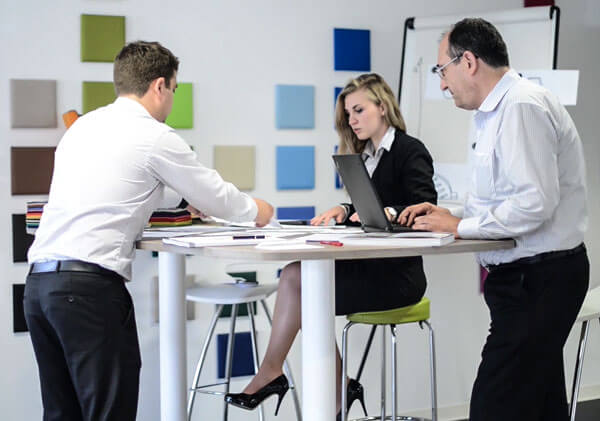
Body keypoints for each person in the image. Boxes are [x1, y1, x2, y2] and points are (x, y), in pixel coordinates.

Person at [24, 41, 274, 421]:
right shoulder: (155, 136)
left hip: (40, 289)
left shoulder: (84, 126)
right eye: (174, 89)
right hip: (88, 294)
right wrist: (258, 210)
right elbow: (215, 194)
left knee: (61, 414)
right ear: (160, 85)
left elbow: (109, 189)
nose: (172, 99)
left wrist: (174, 204)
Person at [399, 18, 589, 421]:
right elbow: (506, 197)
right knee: (539, 403)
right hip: (525, 280)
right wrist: (454, 214)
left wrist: (459, 228)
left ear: (468, 61)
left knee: (494, 405)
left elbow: (535, 203)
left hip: (540, 279)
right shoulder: (493, 113)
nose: (442, 84)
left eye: (441, 71)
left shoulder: (521, 106)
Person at [225, 73, 437, 419]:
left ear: (382, 107)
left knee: (304, 286)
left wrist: (390, 211)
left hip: (399, 277)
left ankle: (277, 373)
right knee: (297, 275)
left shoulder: (409, 150)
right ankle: (325, 382)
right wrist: (345, 209)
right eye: (347, 115)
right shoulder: (365, 156)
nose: (352, 121)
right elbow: (372, 206)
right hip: (369, 266)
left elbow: (425, 204)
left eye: (358, 110)